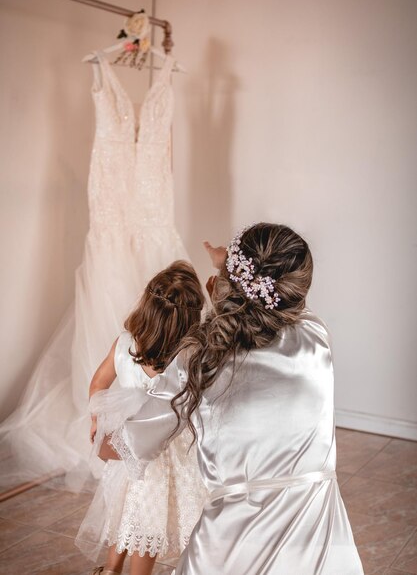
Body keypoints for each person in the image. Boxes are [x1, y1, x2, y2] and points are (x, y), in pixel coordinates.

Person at [93, 223, 364, 575]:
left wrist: (101, 438)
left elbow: (129, 444)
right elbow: (279, 300)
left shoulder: (196, 359)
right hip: (321, 542)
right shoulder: (316, 334)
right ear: (297, 289)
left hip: (232, 549)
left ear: (233, 280)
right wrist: (230, 269)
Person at [75, 261, 208, 575]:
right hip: (166, 456)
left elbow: (98, 384)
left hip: (128, 447)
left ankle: (110, 569)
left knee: (125, 512)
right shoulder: (188, 357)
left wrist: (98, 420)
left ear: (147, 306)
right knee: (145, 523)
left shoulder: (124, 344)